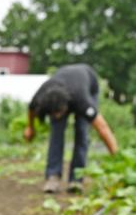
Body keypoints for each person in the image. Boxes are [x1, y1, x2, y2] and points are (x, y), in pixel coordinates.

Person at [23, 63, 119, 193]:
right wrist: (30, 128)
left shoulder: (82, 101)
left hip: (88, 84)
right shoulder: (42, 97)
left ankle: (76, 179)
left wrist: (118, 158)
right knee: (56, 134)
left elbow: (103, 128)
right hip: (60, 87)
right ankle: (53, 177)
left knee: (82, 132)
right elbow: (31, 110)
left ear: (66, 106)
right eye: (53, 114)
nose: (56, 116)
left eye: (59, 113)